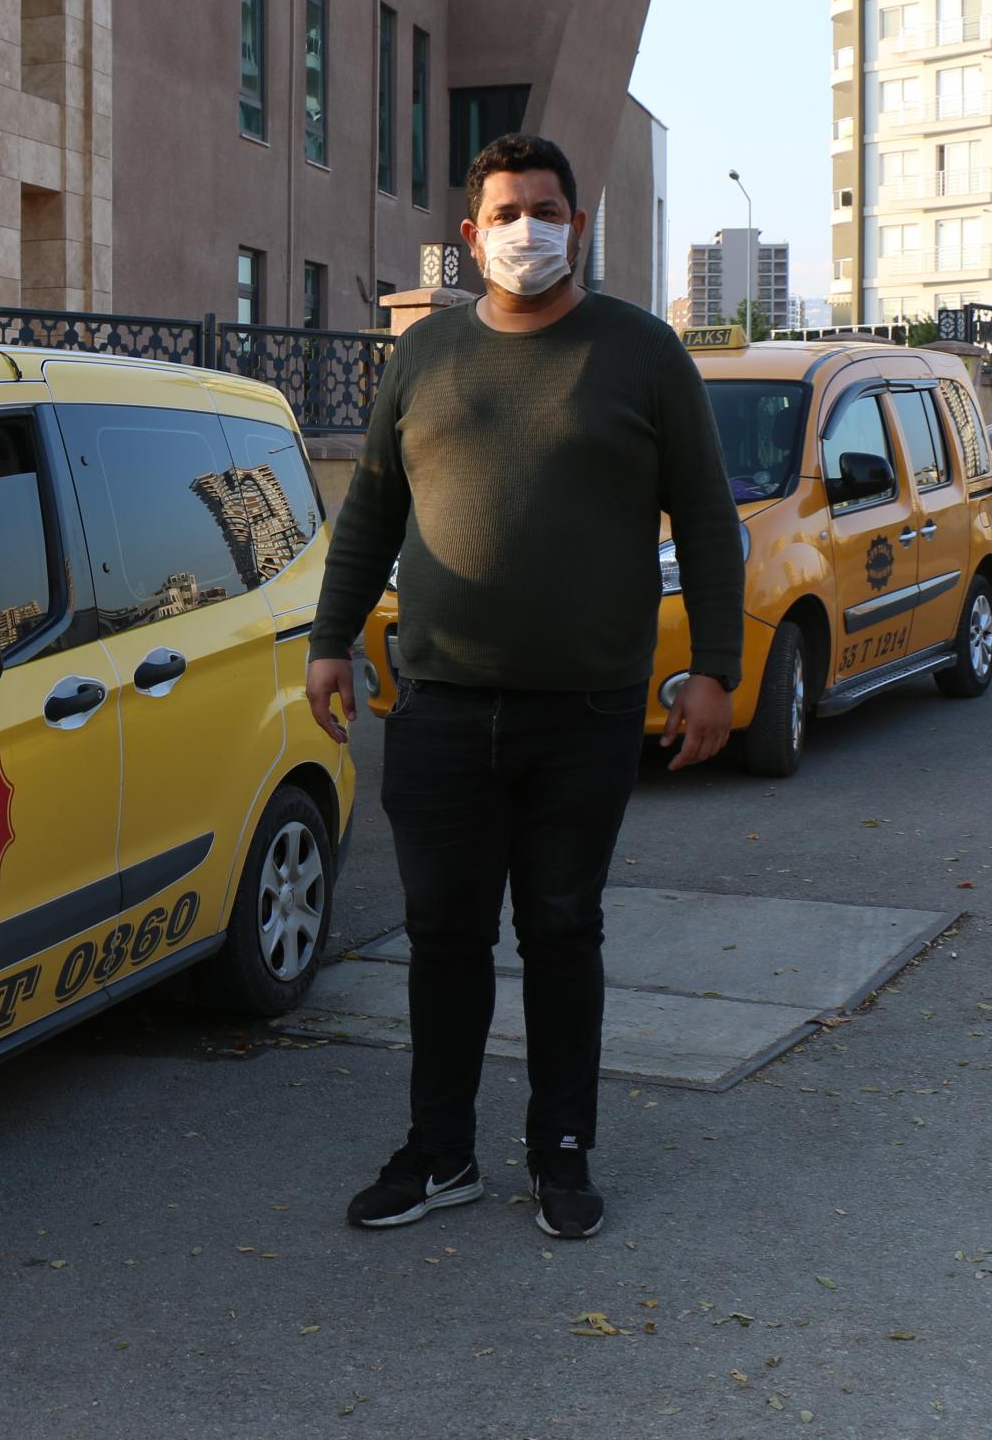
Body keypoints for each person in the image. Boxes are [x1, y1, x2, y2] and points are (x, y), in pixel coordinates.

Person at [304, 133, 745, 1240]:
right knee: (443, 938)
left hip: (586, 711)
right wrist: (330, 637)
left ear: (578, 226)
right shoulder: (425, 356)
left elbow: (706, 516)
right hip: (440, 706)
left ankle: (561, 1151)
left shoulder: (641, 352)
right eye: (506, 214)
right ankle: (441, 1152)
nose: (527, 231)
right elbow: (371, 509)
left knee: (560, 932)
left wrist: (716, 670)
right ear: (471, 234)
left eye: (546, 211)